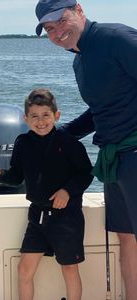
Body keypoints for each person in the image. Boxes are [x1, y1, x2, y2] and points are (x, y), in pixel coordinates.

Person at [35, 1, 137, 299]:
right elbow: (100, 111)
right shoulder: (79, 61)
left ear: (79, 10)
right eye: (49, 29)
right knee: (127, 238)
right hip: (115, 160)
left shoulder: (116, 38)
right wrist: (59, 135)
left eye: (61, 21)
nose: (57, 33)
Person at [0, 88, 93, 300]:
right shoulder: (22, 142)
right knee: (24, 270)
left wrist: (67, 191)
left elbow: (86, 174)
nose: (41, 121)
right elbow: (16, 177)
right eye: (34, 116)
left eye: (46, 115)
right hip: (37, 217)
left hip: (67, 218)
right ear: (26, 119)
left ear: (57, 115)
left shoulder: (69, 142)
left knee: (69, 270)